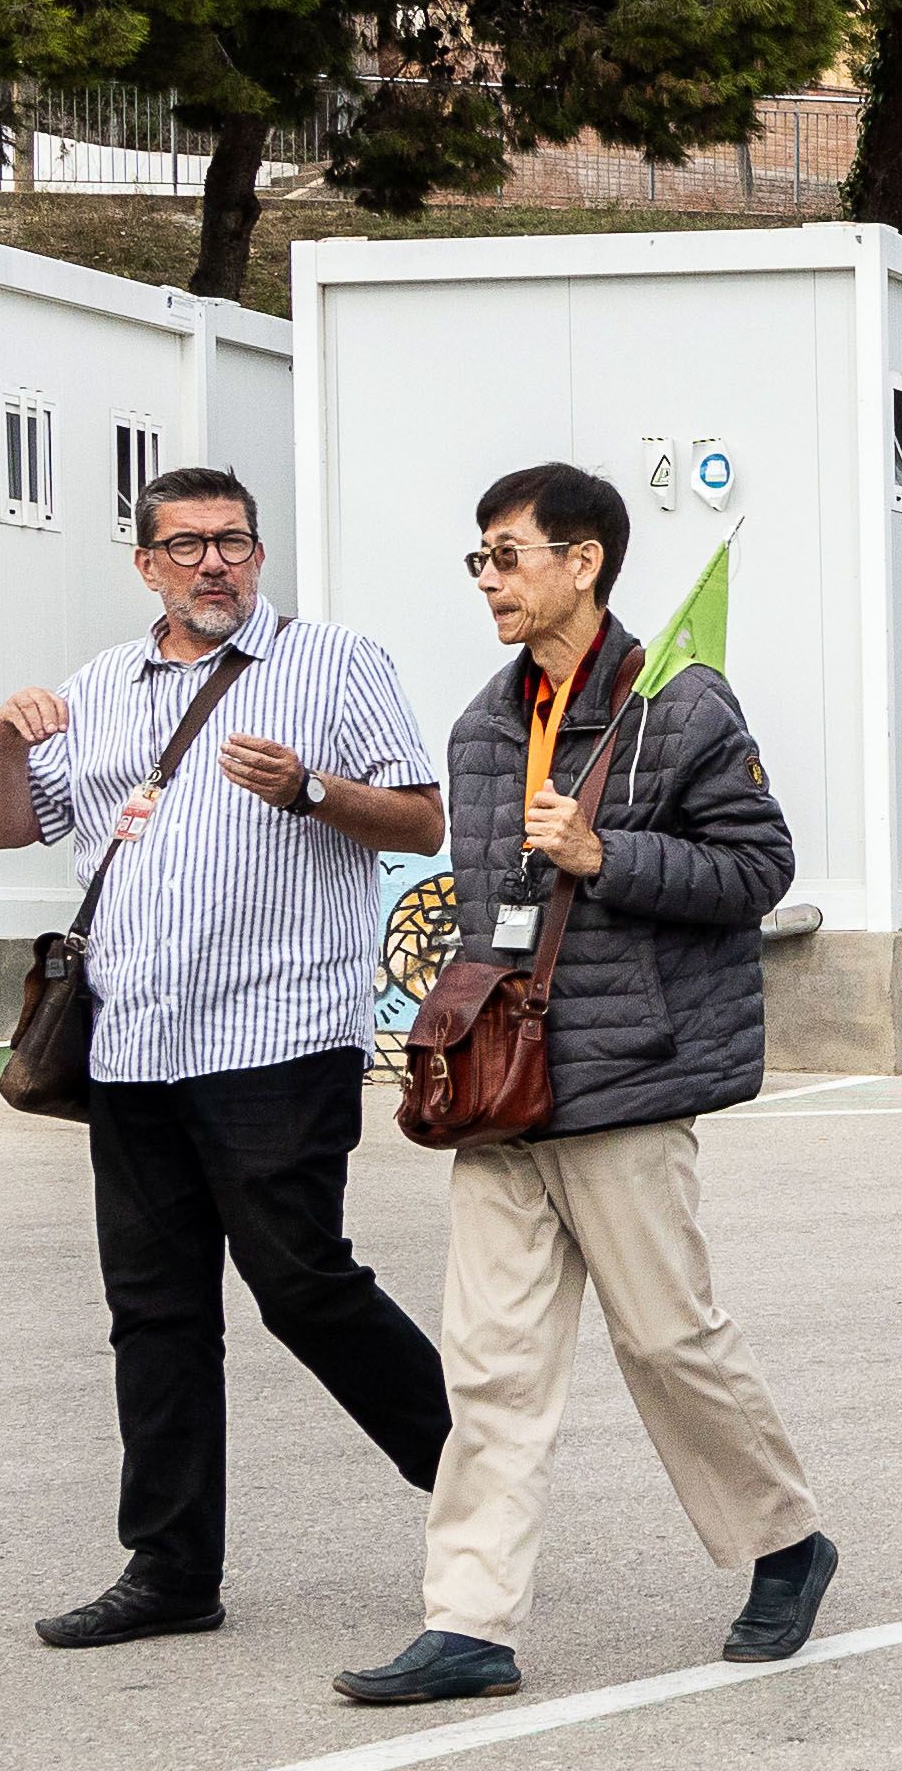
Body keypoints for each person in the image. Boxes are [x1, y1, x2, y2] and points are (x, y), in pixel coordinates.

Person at [335, 463, 838, 1706]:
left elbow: (757, 867)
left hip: (627, 1075)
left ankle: (786, 1541)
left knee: (669, 1337)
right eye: (480, 559)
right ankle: (469, 1620)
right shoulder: (481, 726)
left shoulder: (683, 703)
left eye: (507, 555)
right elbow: (490, 907)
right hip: (502, 1087)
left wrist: (608, 852)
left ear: (584, 560)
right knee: (490, 1364)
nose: (490, 580)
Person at [0, 464, 457, 1651]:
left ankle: (477, 1486)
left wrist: (309, 788)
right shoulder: (94, 687)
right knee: (154, 1311)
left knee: (302, 1282)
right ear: (146, 563)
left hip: (277, 1034)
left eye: (233, 541)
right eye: (186, 544)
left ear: (257, 551)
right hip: (130, 1044)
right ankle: (171, 1566)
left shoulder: (335, 663)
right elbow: (2, 821)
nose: (213, 563)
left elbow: (422, 817)